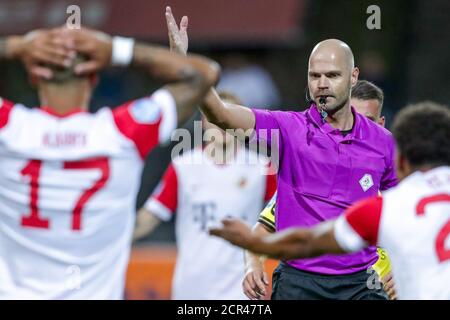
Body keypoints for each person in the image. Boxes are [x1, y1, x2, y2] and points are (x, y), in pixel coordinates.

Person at [0, 25, 219, 299]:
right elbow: (204, 74)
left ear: (34, 76)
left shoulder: (8, 129)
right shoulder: (121, 134)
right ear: (94, 77)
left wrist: (17, 47)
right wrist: (117, 49)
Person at [210, 101, 450, 300]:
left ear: (399, 160)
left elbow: (308, 242)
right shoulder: (311, 186)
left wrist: (254, 243)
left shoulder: (384, 207)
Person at [253, 79, 395, 300]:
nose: (359, 128)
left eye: (369, 121)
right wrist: (252, 265)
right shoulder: (309, 181)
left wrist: (401, 272)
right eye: (353, 119)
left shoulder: (396, 194)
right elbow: (262, 229)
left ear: (382, 124)